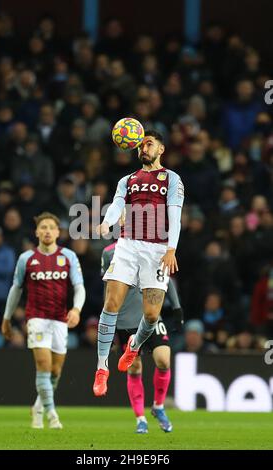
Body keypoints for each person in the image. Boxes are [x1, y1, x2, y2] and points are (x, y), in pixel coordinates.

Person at [93, 130, 184, 397]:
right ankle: (102, 369)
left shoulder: (172, 179)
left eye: (149, 144)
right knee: (111, 303)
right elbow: (116, 204)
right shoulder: (128, 179)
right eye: (140, 146)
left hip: (156, 249)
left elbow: (174, 216)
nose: (143, 149)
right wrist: (107, 222)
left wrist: (171, 249)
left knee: (152, 315)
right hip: (128, 245)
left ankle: (133, 346)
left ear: (161, 149)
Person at [1, 212, 86, 429]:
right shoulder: (26, 258)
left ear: (58, 232)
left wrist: (76, 309)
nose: (47, 231)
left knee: (55, 371)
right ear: (37, 232)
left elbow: (79, 287)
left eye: (51, 227)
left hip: (60, 319)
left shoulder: (68, 256)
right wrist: (6, 318)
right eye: (43, 227)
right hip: (36, 318)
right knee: (43, 365)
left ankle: (38, 406)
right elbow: (16, 289)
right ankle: (52, 415)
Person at [101, 241, 183, 433]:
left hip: (150, 316)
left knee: (163, 360)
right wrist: (108, 324)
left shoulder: (155, 245)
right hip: (124, 321)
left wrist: (177, 306)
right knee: (134, 367)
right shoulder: (108, 253)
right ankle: (140, 418)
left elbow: (164, 279)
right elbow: (109, 290)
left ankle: (159, 406)